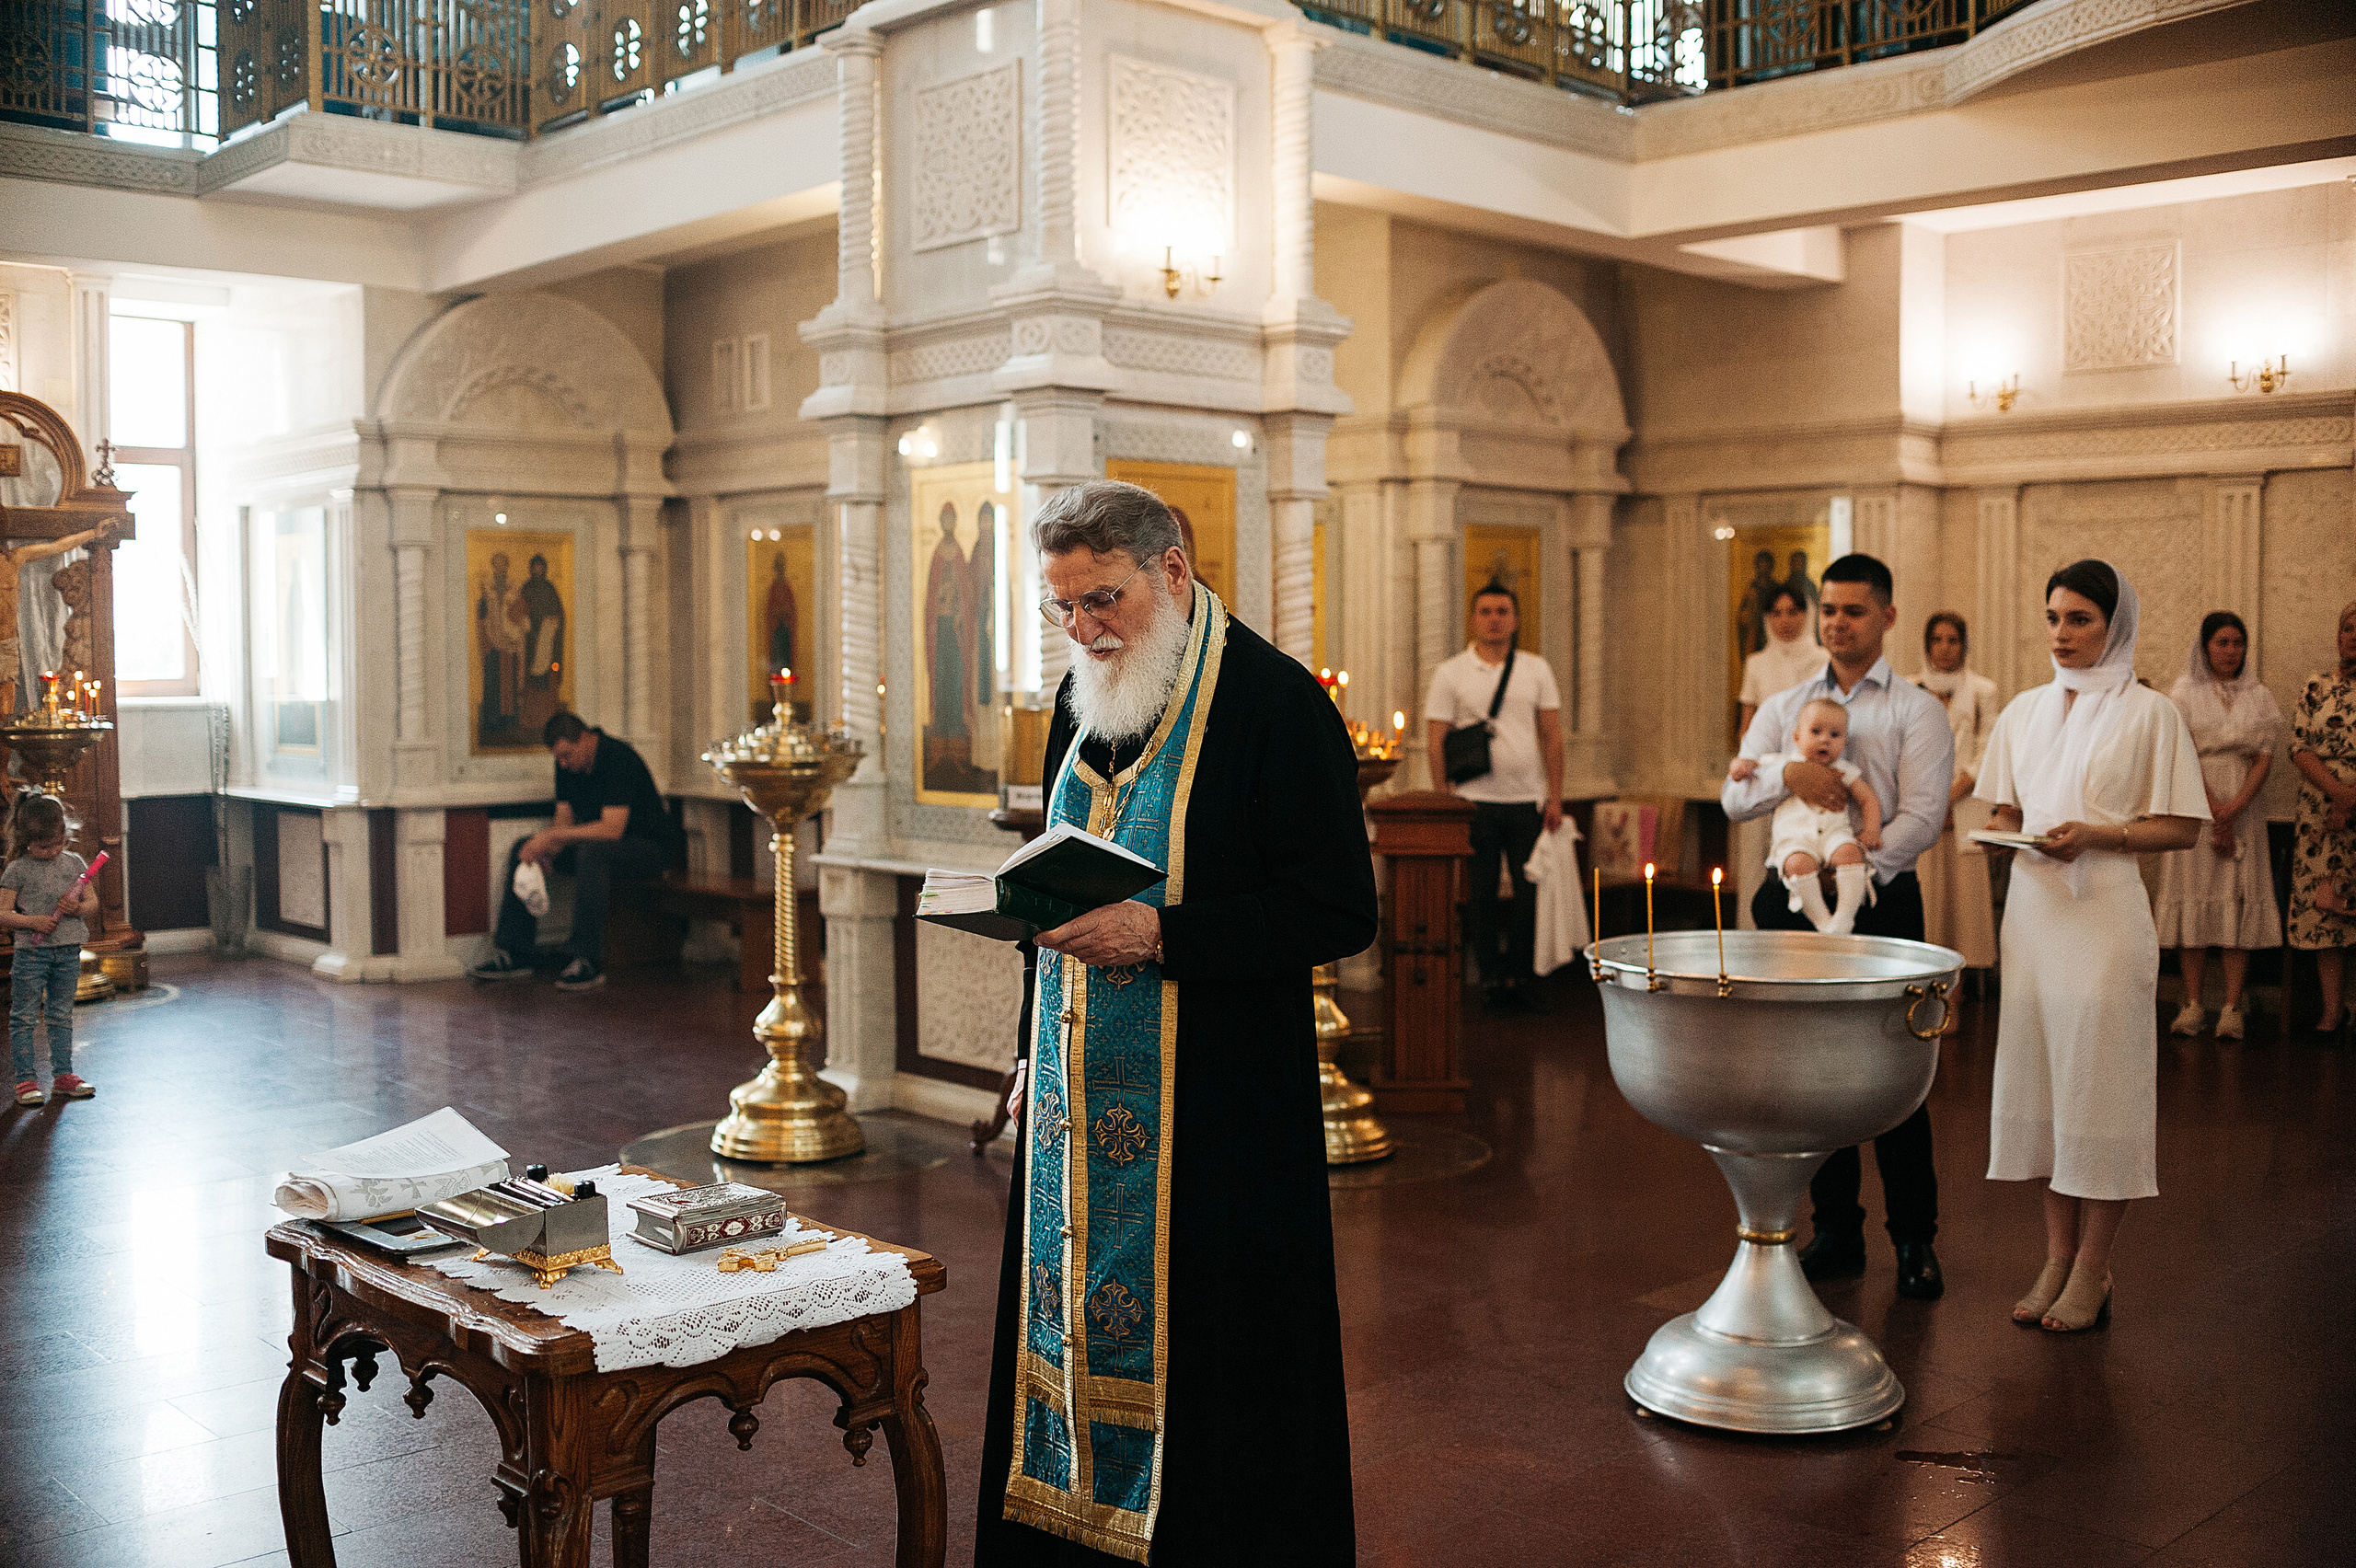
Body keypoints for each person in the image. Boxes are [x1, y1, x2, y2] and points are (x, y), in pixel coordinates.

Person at [976, 480, 1377, 1568]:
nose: (1085, 630)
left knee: (1217, 1375)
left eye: (1102, 601)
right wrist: (1026, 1049)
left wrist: (1165, 938)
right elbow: (1055, 897)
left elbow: (1339, 906)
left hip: (1215, 1112)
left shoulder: (1273, 705)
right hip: (1072, 1096)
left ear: (1174, 570)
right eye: (1063, 608)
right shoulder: (1083, 695)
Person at [1975, 560, 2206, 1332]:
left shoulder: (2151, 713)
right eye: (2052, 618)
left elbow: (2181, 827)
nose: (2062, 634)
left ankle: (2093, 1267)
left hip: (2105, 914)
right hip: (2036, 915)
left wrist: (2099, 834)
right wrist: (2002, 839)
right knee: (2045, 1084)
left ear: (2116, 625)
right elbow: (2007, 807)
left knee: (2100, 1084)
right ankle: (2054, 1257)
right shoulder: (2022, 710)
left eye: (2079, 620)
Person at [1724, 553, 1956, 1299]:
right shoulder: (1786, 703)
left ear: (1887, 617)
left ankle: (1915, 1238)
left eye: (1852, 610)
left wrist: (1860, 872)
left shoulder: (1915, 710)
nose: (1835, 622)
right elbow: (1734, 797)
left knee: (1897, 1077)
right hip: (1788, 900)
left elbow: (1923, 814)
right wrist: (1785, 775)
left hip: (1881, 900)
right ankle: (1835, 1230)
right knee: (1812, 1076)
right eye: (1828, 609)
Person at [1424, 582, 1565, 1012]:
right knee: (1481, 893)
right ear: (1473, 619)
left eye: (1502, 611)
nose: (1494, 619)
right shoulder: (1451, 672)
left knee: (1529, 894)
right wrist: (1444, 798)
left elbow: (1553, 736)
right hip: (1473, 803)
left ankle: (1520, 976)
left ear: (1516, 620)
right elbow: (1435, 740)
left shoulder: (1536, 668)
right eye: (1485, 611)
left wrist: (1556, 797)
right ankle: (1488, 977)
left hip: (1527, 801)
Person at [467, 712, 679, 993]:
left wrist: (552, 836)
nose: (563, 764)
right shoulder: (567, 767)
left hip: (649, 849)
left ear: (586, 739)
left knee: (592, 853)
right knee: (525, 847)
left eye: (567, 755)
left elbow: (612, 829)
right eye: (558, 759)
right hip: (601, 847)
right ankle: (515, 953)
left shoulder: (618, 758)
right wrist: (546, 851)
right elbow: (564, 821)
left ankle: (587, 959)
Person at [2155, 612, 2281, 1039]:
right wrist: (2213, 808)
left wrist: (2235, 807)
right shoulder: (2183, 694)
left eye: (2237, 644)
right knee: (2195, 897)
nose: (2230, 652)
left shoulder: (2260, 696)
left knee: (2237, 899)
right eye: (2222, 643)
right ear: (2205, 646)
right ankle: (2192, 1003)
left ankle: (2231, 1006)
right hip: (2195, 802)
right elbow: (2182, 754)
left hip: (2245, 804)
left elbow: (2264, 756)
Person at [1913, 612, 1999, 1033]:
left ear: (1964, 645)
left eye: (1953, 640)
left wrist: (1950, 797)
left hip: (1964, 809)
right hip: (1920, 810)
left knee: (1962, 907)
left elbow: (1987, 752)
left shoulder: (1983, 691)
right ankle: (1924, 999)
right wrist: (1930, 802)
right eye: (1938, 640)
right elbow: (1902, 753)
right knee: (1928, 905)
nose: (1946, 647)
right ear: (1926, 645)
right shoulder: (1910, 687)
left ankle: (1955, 1000)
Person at [1730, 698, 1883, 932]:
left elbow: (1868, 799)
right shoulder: (1782, 764)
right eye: (1816, 731)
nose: (1824, 739)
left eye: (1835, 735)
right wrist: (1740, 767)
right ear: (1797, 737)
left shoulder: (1845, 770)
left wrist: (1872, 830)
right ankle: (1822, 921)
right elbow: (1751, 766)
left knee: (1851, 853)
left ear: (1845, 743)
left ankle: (1844, 917)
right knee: (1797, 864)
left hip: (1834, 833)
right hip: (1795, 839)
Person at [2287, 599, 2356, 1035]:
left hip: (2348, 806)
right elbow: (2300, 747)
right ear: (2338, 636)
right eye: (2348, 628)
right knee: (2324, 912)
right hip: (2320, 814)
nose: (2354, 636)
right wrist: (2338, 795)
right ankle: (2333, 1011)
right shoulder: (2316, 685)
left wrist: (2350, 801)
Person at [3, 793, 98, 1106]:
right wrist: (33, 921)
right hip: (32, 953)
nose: (52, 851)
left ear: (65, 835)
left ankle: (64, 1076)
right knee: (24, 1018)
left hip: (68, 950)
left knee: (61, 1015)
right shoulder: (17, 869)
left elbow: (92, 902)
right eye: (43, 846)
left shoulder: (75, 863)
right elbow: (3, 913)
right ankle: (26, 1080)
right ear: (26, 839)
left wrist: (77, 906)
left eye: (58, 844)